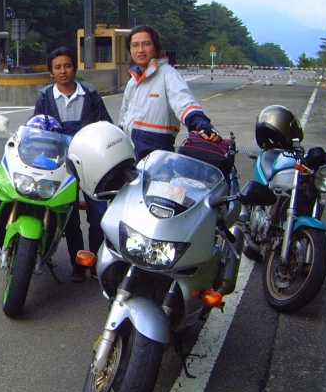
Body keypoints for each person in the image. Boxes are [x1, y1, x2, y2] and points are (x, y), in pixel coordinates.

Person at [34, 46, 112, 283]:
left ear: (75, 68)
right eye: (57, 67)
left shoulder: (89, 93)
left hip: (90, 163)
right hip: (60, 166)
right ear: (51, 72)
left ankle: (96, 261)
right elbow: (35, 129)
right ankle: (77, 264)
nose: (63, 71)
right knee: (69, 218)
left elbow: (106, 124)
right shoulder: (45, 96)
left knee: (99, 214)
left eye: (67, 66)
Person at [119, 24, 222, 161]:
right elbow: (123, 118)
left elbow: (185, 104)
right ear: (130, 50)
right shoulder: (132, 82)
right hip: (130, 159)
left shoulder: (168, 75)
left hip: (158, 163)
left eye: (146, 44)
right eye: (135, 45)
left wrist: (202, 125)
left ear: (155, 47)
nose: (141, 50)